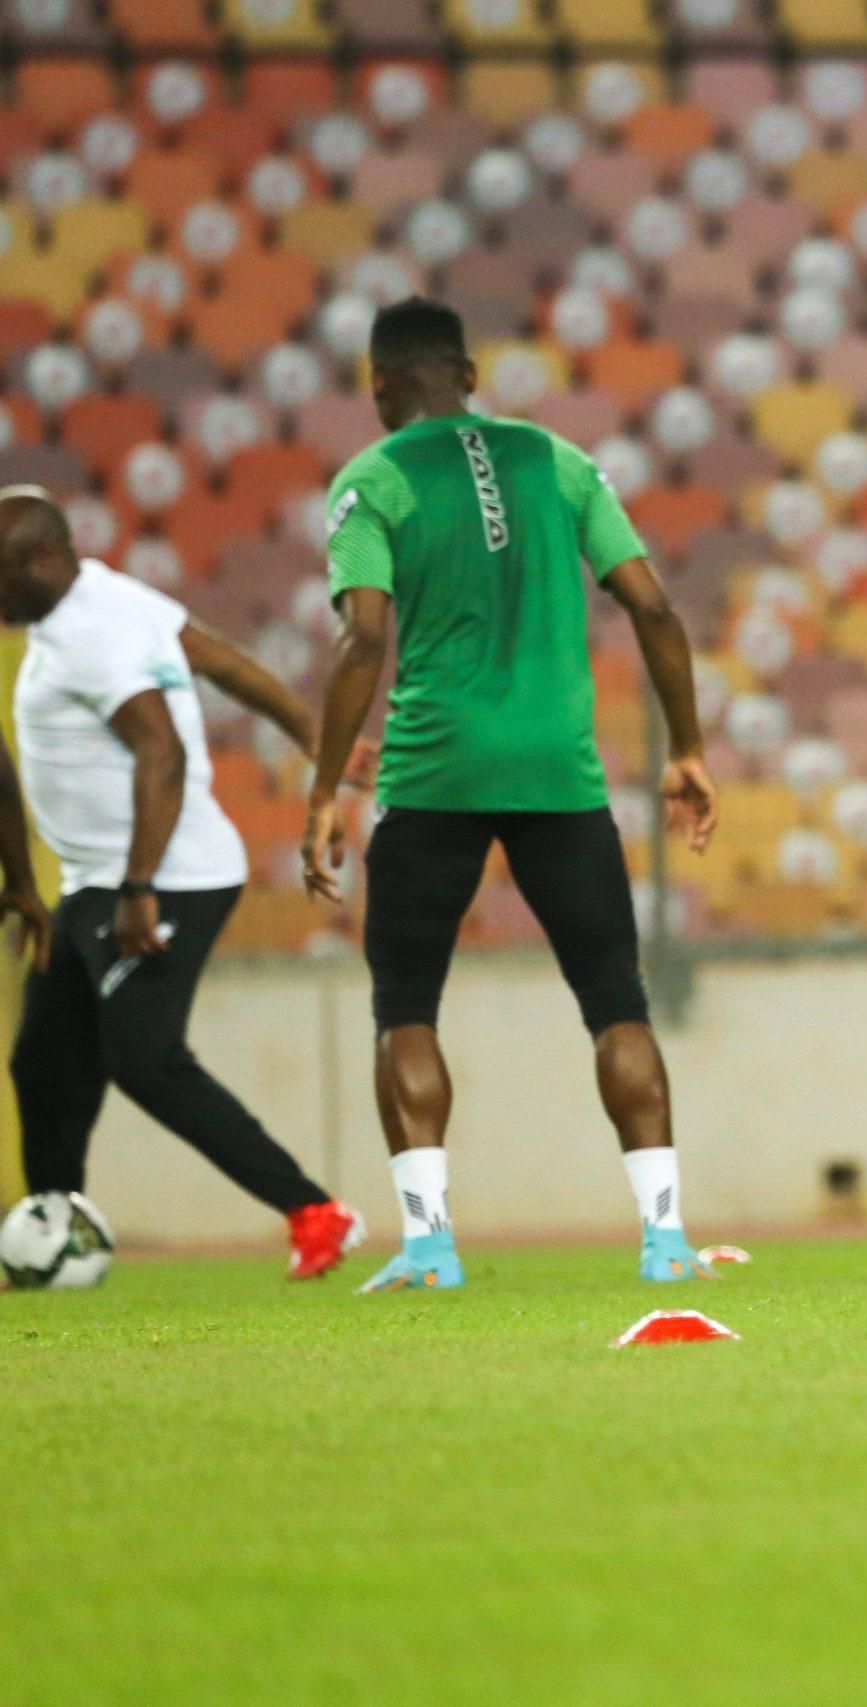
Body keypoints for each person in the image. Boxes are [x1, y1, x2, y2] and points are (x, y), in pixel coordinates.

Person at [303, 298, 721, 1292]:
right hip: (558, 774)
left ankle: (429, 1247)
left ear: (380, 390)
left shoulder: (371, 479)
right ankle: (665, 1242)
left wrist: (324, 788)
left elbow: (363, 638)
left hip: (433, 772)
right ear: (470, 375)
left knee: (406, 1010)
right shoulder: (560, 462)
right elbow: (654, 610)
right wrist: (688, 750)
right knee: (617, 1006)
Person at [0, 489, 365, 1278]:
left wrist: (139, 889)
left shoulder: (90, 634)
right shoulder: (102, 595)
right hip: (100, 880)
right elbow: (226, 663)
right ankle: (55, 1224)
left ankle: (316, 1211)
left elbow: (159, 751)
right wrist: (315, 742)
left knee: (143, 1055)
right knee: (43, 1059)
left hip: (164, 878)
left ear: (41, 562)